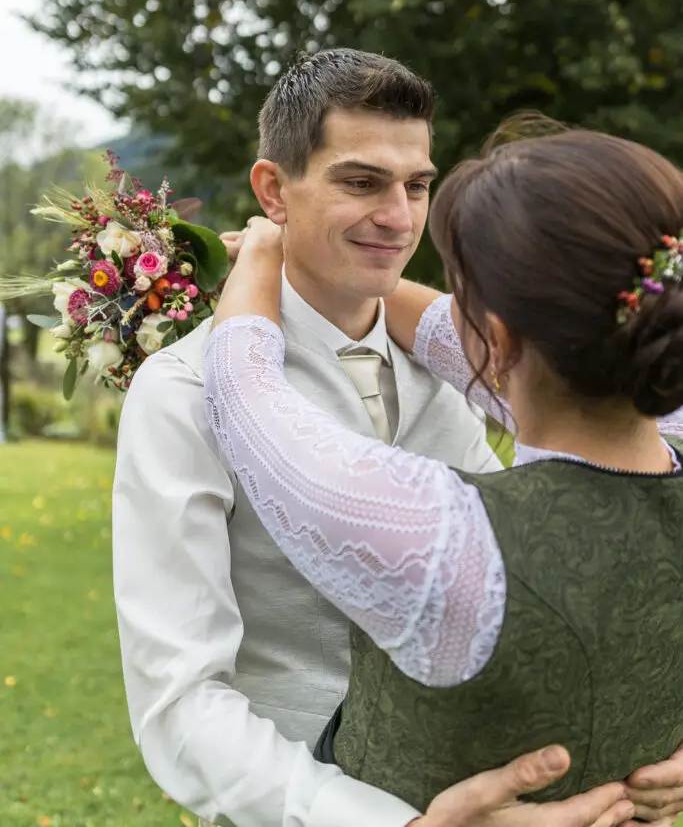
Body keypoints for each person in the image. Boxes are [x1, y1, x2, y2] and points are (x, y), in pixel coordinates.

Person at [204, 119, 683, 826]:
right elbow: (458, 339)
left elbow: (244, 393)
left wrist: (262, 259)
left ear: (498, 339)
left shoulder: (442, 538)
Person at [113, 48, 520, 827]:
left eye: (417, 185)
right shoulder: (185, 391)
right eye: (361, 182)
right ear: (274, 190)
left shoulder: (443, 366)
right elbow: (183, 699)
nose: (400, 218)